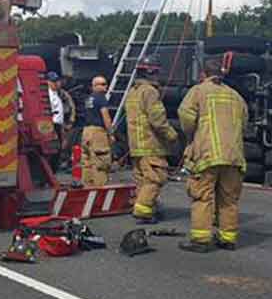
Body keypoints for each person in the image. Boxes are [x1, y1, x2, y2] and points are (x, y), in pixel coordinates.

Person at [177, 56, 248, 252]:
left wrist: (193, 135)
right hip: (234, 157)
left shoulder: (198, 91)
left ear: (203, 74)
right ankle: (228, 238)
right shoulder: (236, 96)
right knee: (229, 199)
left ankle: (200, 240)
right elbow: (244, 123)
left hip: (207, 156)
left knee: (202, 196)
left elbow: (186, 116)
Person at [124, 62, 177, 223]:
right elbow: (157, 119)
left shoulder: (132, 91)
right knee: (156, 177)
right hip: (150, 144)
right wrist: (172, 135)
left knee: (142, 179)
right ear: (151, 73)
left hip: (136, 145)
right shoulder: (150, 92)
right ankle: (143, 211)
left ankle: (147, 209)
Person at [80, 75, 113, 187]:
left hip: (86, 132)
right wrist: (110, 133)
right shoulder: (101, 98)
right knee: (101, 162)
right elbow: (106, 116)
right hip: (97, 132)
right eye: (102, 84)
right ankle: (100, 193)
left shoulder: (88, 99)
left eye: (106, 83)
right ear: (95, 86)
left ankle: (87, 189)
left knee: (87, 162)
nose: (106, 86)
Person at [46, 72, 76, 168]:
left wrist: (70, 121)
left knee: (61, 146)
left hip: (60, 124)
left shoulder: (61, 94)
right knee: (53, 147)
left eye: (57, 81)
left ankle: (56, 166)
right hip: (51, 124)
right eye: (53, 81)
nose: (56, 83)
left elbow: (71, 107)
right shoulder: (46, 94)